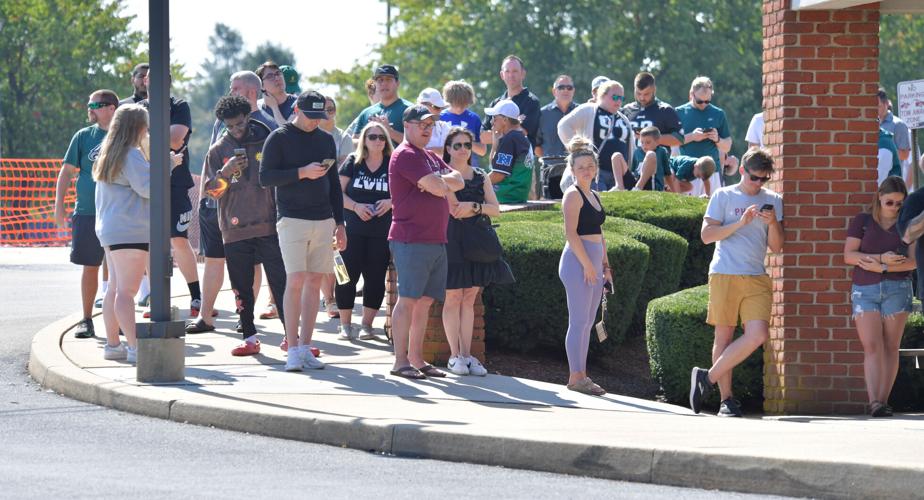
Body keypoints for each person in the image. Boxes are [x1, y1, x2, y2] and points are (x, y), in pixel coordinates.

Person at [689, 148, 783, 418]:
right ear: (742, 170)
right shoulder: (723, 196)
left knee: (758, 335)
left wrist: (774, 223)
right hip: (725, 272)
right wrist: (740, 223)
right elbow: (707, 235)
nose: (759, 184)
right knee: (724, 335)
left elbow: (777, 247)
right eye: (755, 178)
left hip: (756, 275)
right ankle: (726, 400)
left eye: (764, 179)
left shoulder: (774, 200)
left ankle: (706, 379)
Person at [260, 90, 345, 372]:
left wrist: (340, 223)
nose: (314, 122)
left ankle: (307, 347)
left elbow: (333, 183)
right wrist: (301, 172)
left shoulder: (324, 139)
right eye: (310, 116)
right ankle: (292, 347)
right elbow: (265, 178)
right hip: (292, 218)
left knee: (313, 282)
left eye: (320, 117)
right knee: (294, 280)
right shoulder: (279, 137)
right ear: (297, 109)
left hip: (323, 219)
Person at [197, 95, 288, 356]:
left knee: (280, 283)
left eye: (240, 124)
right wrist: (225, 173)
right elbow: (211, 193)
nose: (236, 130)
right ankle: (249, 337)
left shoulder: (266, 139)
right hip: (234, 228)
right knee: (241, 286)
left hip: (269, 225)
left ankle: (290, 336)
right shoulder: (217, 151)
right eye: (230, 126)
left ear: (248, 117)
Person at [93, 104, 177, 363]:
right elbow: (149, 188)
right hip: (131, 229)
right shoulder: (131, 155)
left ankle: (113, 344)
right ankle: (134, 348)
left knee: (115, 290)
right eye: (146, 125)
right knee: (126, 293)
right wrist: (169, 165)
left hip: (110, 229)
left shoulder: (107, 154)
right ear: (138, 127)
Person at [388, 105, 464, 379]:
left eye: (430, 124)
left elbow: (458, 179)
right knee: (408, 300)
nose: (427, 128)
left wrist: (438, 182)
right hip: (410, 239)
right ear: (406, 125)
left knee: (425, 302)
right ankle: (400, 362)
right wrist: (438, 184)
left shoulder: (430, 156)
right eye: (421, 124)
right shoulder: (405, 155)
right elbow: (439, 186)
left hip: (435, 239)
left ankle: (417, 359)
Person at [442, 127, 515, 376]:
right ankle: (454, 356)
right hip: (451, 241)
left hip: (477, 241)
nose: (463, 149)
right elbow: (454, 209)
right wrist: (476, 207)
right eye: (457, 145)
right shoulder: (443, 174)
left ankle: (467, 354)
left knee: (469, 298)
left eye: (467, 145)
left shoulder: (481, 174)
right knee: (453, 297)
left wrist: (474, 205)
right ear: (448, 149)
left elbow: (495, 208)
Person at [844, 176, 915, 417]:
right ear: (879, 198)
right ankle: (874, 401)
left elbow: (914, 262)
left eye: (899, 204)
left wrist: (882, 267)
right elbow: (849, 255)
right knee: (872, 346)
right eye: (890, 202)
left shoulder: (907, 225)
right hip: (865, 290)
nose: (895, 208)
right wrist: (882, 259)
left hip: (898, 289)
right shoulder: (862, 221)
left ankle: (882, 403)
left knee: (891, 347)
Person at [54, 90, 119, 338]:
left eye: (96, 104)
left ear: (111, 108)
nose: (90, 108)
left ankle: (119, 320)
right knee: (90, 266)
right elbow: (66, 172)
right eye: (89, 104)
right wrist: (58, 205)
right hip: (87, 212)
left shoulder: (125, 135)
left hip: (117, 213)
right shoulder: (83, 136)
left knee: (118, 271)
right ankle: (86, 319)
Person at [138, 72, 202, 318]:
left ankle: (196, 296)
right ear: (145, 82)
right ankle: (157, 299)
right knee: (151, 243)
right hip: (145, 184)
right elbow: (129, 144)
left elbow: (175, 141)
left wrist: (145, 138)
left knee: (178, 240)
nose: (154, 81)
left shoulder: (179, 106)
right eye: (149, 78)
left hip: (175, 184)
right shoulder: (137, 109)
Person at [559, 136, 611, 396]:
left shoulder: (594, 194)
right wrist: (588, 265)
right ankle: (575, 376)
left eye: (590, 166)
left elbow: (600, 234)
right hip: (576, 262)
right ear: (572, 170)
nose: (587, 170)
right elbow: (571, 234)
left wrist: (605, 266)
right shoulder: (573, 195)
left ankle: (582, 374)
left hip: (593, 262)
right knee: (579, 321)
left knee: (589, 321)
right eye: (581, 167)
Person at [336, 122, 394, 340]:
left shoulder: (392, 164)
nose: (377, 141)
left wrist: (391, 202)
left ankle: (367, 326)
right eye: (372, 137)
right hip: (350, 230)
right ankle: (344, 325)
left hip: (381, 232)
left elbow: (406, 193)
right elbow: (337, 194)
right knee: (344, 276)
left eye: (381, 137)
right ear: (364, 140)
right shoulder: (353, 162)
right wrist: (356, 207)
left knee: (376, 278)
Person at [319, 95, 358, 319]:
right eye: (324, 109)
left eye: (332, 108)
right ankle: (329, 298)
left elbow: (341, 167)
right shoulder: (310, 136)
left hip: (336, 199)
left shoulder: (342, 137)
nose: (329, 112)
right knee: (324, 251)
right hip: (315, 201)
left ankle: (338, 295)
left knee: (338, 252)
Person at [557, 80, 635, 191]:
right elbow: (563, 126)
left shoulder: (624, 119)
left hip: (618, 177)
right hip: (594, 173)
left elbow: (631, 148)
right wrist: (578, 150)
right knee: (596, 203)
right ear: (602, 95)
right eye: (615, 97)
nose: (618, 101)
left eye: (621, 98)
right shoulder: (589, 109)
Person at [482, 55, 541, 150]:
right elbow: (483, 137)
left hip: (522, 161)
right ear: (502, 75)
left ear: (523, 74)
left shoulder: (532, 101)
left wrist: (497, 131)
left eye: (515, 71)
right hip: (498, 161)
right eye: (507, 71)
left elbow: (521, 134)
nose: (511, 75)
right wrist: (513, 125)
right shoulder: (496, 103)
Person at [351, 65, 413, 145]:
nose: (384, 83)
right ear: (375, 84)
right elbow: (354, 141)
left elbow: (417, 143)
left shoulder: (410, 110)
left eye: (388, 80)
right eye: (380, 80)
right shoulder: (366, 113)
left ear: (397, 83)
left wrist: (389, 131)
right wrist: (371, 139)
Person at [676, 76, 732, 165]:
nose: (703, 104)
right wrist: (692, 136)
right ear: (692, 94)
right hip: (686, 170)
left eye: (707, 101)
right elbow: (671, 142)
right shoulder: (679, 112)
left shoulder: (719, 113)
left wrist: (717, 139)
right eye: (699, 101)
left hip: (712, 171)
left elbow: (727, 147)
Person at [485, 99, 533, 204]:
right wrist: (495, 144)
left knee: (470, 192)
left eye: (494, 117)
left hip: (507, 195)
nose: (491, 122)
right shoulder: (519, 136)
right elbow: (493, 167)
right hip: (517, 194)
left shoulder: (511, 139)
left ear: (505, 120)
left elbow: (498, 175)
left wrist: (477, 183)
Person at [621, 72, 683, 148]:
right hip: (630, 159)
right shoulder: (626, 110)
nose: (642, 98)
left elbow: (680, 139)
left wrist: (652, 137)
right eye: (638, 93)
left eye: (646, 94)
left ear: (654, 90)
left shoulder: (665, 110)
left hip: (656, 159)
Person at [440, 80, 487, 162]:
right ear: (449, 101)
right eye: (456, 103)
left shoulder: (474, 119)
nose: (459, 108)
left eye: (463, 104)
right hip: (445, 166)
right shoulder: (440, 118)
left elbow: (482, 151)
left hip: (469, 167)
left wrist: (464, 141)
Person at [536, 75, 577, 158]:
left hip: (577, 168)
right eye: (561, 87)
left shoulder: (581, 112)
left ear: (573, 91)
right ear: (554, 91)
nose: (565, 90)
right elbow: (536, 145)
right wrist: (549, 160)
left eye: (569, 88)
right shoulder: (542, 114)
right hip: (550, 168)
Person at [878, 88, 912, 187]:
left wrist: (887, 149)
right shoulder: (871, 124)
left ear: (886, 104)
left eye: (878, 106)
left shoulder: (898, 125)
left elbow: (905, 154)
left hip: (892, 181)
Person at [628, 126, 673, 191]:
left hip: (654, 185)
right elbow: (633, 171)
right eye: (642, 142)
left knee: (650, 154)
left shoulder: (662, 151)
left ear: (657, 142)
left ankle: (638, 187)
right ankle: (619, 187)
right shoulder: (637, 152)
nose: (644, 145)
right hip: (636, 183)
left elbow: (668, 174)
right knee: (617, 156)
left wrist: (674, 191)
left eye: (648, 142)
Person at [256, 61, 297, 126]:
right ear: (262, 86)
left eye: (278, 73)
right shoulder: (258, 107)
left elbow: (287, 134)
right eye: (270, 76)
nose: (277, 78)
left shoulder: (298, 104)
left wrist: (274, 108)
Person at [418, 88, 451, 156]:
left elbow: (450, 150)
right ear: (423, 105)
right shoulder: (410, 125)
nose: (440, 111)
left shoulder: (444, 127)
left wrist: (423, 151)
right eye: (436, 107)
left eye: (441, 108)